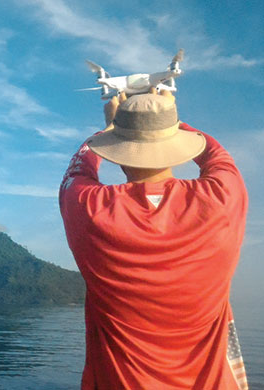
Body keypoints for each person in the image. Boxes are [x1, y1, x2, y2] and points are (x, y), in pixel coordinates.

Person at [59, 88, 249, 390]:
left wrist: (109, 126)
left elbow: (77, 170)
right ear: (177, 143)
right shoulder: (221, 199)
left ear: (117, 150)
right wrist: (168, 116)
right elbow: (218, 156)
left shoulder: (89, 209)